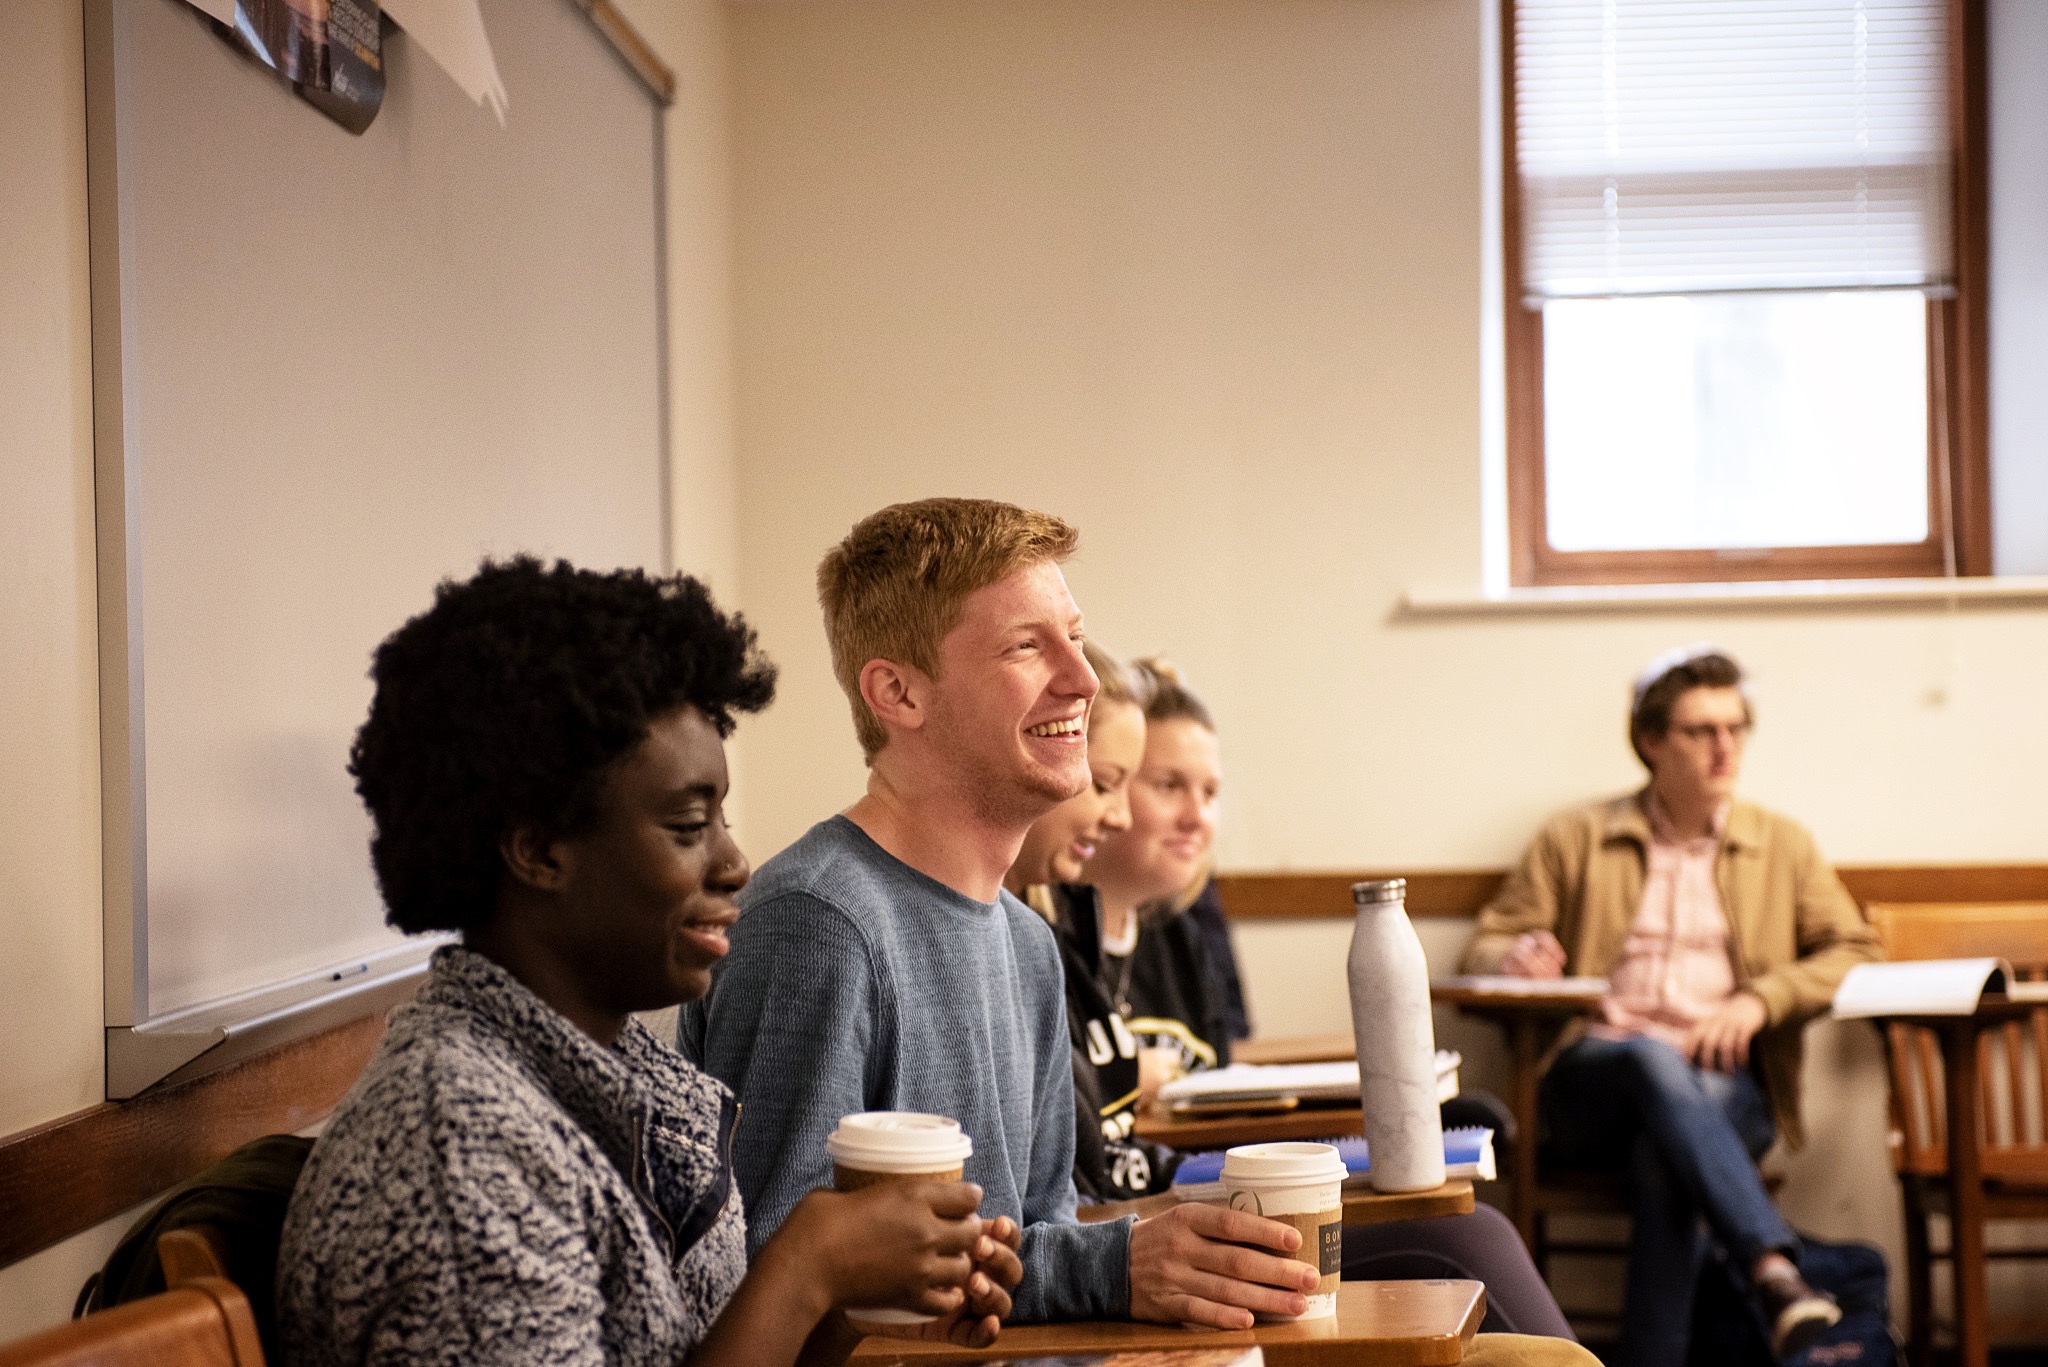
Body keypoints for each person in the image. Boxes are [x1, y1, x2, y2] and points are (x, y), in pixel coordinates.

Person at [278, 558, 1019, 1367]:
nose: (735, 861)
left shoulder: (618, 1077)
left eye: (722, 818)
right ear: (540, 849)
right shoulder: (458, 1150)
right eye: (686, 824)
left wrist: (863, 1302)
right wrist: (804, 1270)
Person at [680, 498, 1316, 1330]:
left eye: (1075, 637)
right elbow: (773, 1280)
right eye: (1027, 645)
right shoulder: (817, 922)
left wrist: (1124, 1259)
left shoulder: (1028, 942)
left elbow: (1042, 1231)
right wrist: (1116, 1264)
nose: (1084, 679)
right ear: (898, 693)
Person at [1040, 651, 1570, 1339]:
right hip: (1147, 1219)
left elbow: (1216, 1074)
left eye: (1209, 791)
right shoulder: (1044, 937)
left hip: (1183, 1183)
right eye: (1158, 783)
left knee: (1468, 1202)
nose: (1195, 816)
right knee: (1469, 1238)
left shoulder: (1184, 934)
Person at [1461, 644, 1884, 1365]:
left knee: (1668, 1161)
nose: (1725, 747)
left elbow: (1855, 947)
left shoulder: (1782, 843)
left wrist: (1760, 999)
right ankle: (1775, 1270)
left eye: (1735, 727)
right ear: (1652, 740)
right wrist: (1514, 957)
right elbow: (1484, 944)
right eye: (1700, 730)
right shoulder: (1577, 836)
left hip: (1728, 1083)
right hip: (1594, 1080)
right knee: (1651, 1060)